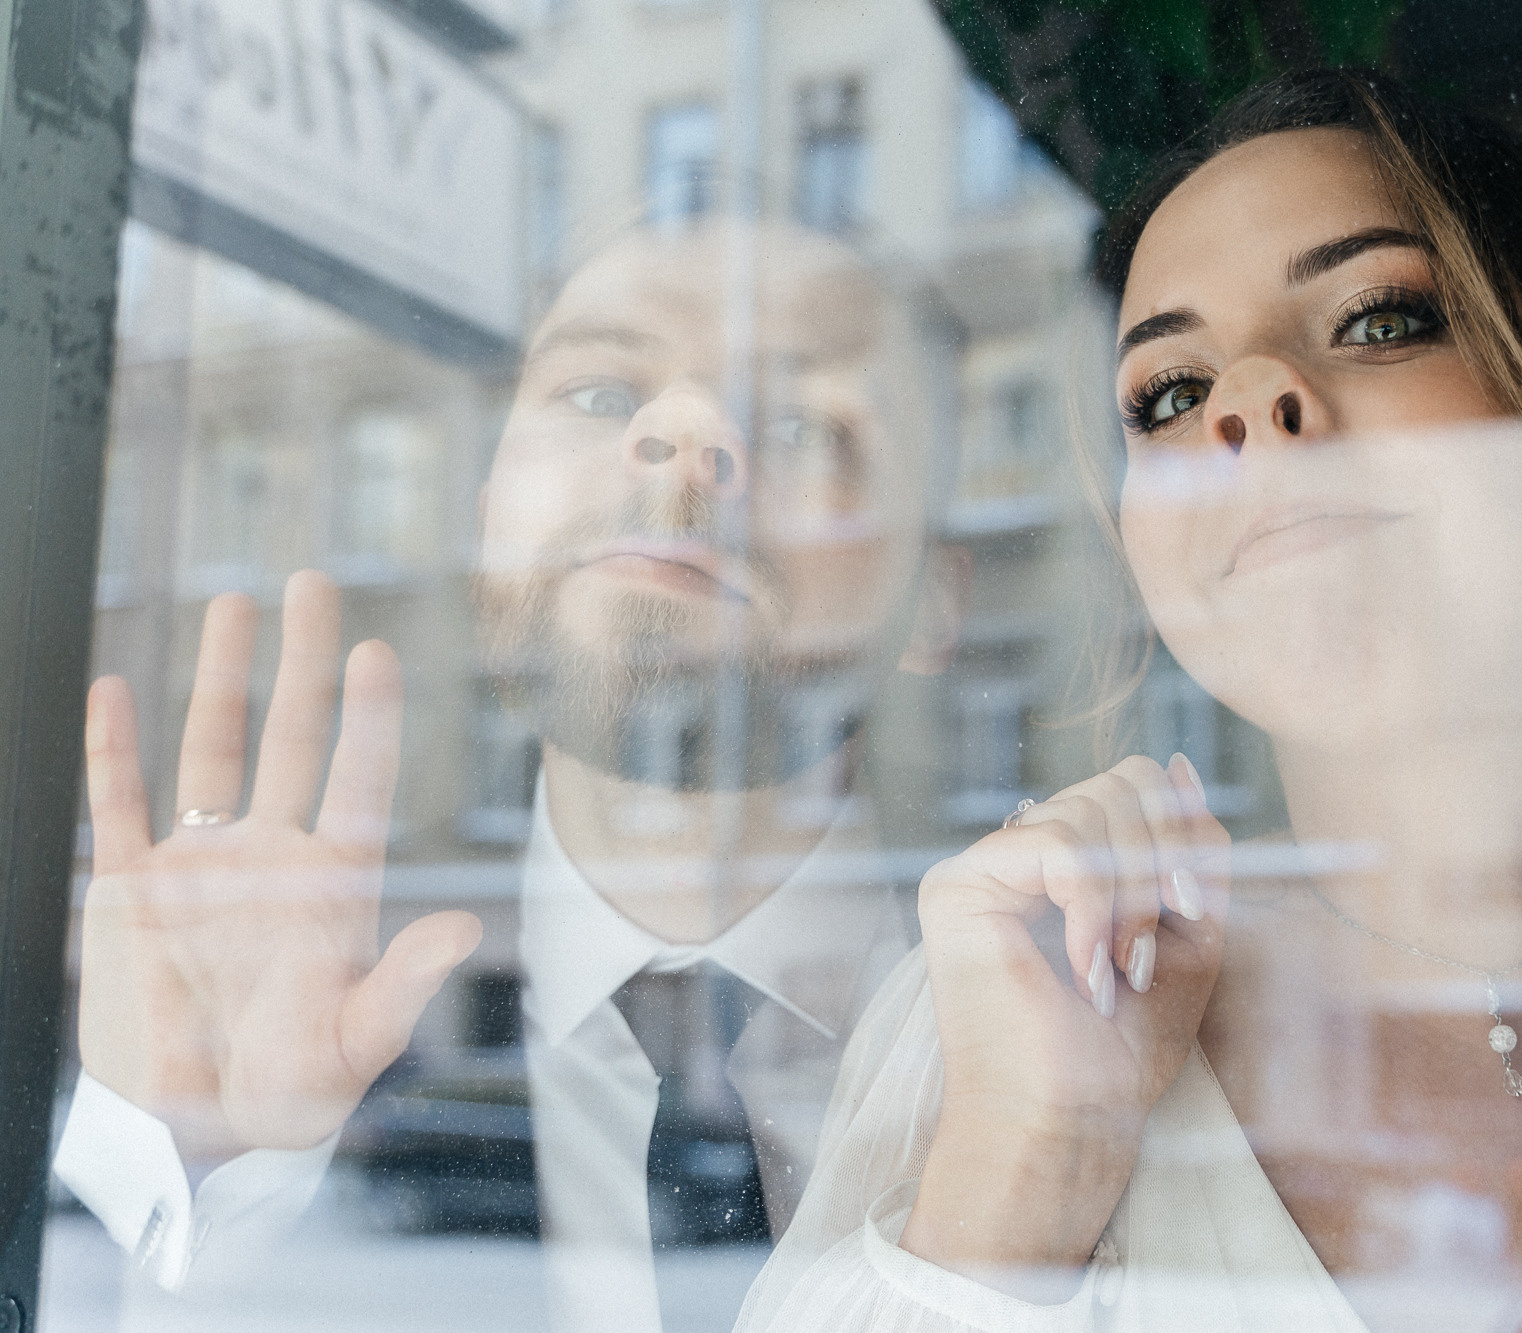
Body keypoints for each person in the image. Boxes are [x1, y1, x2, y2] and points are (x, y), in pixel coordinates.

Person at [734, 70, 1522, 1332]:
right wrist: (1021, 1178)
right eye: (1168, 394)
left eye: (1377, 318)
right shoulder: (1011, 1006)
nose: (1245, 405)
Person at [54, 223, 970, 1331]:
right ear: (487, 513)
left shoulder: (1043, 1051)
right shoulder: (310, 1062)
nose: (679, 440)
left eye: (795, 419)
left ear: (935, 597)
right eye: (594, 393)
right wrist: (194, 1162)